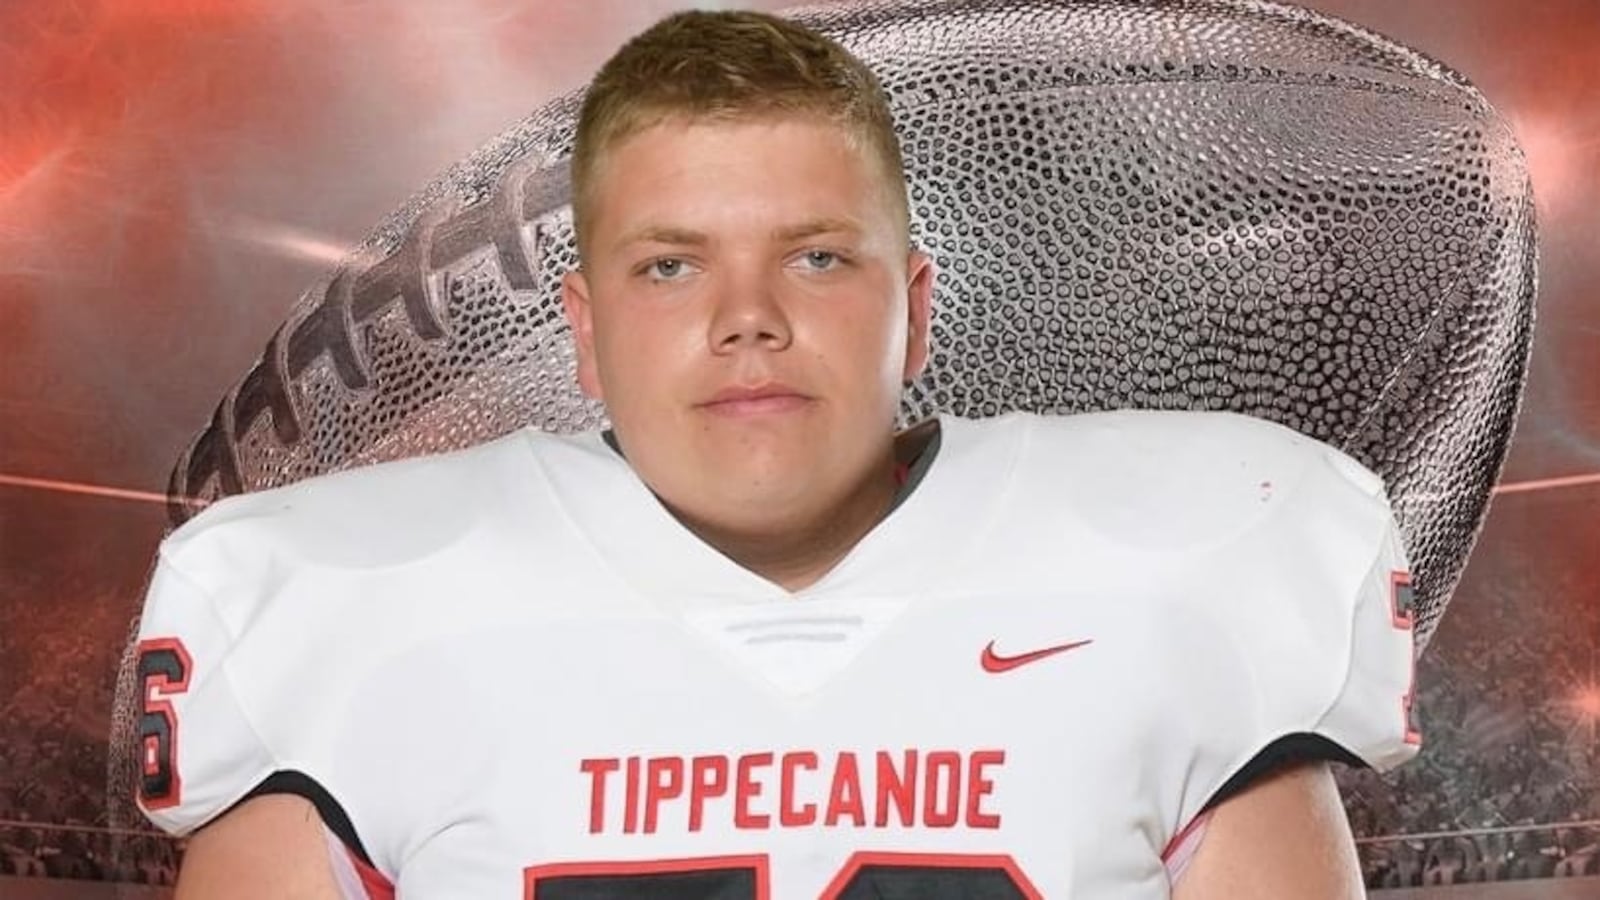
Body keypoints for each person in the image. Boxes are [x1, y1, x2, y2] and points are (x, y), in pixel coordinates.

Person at [131, 9, 1419, 898]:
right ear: (584, 330)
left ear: (915, 309)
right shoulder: (332, 611)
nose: (747, 316)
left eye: (816, 255)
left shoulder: (1190, 565)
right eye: (670, 264)